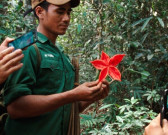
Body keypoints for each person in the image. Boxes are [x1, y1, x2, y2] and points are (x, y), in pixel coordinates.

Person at [3, 0, 109, 135]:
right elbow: (15, 108)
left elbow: (67, 107)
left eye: (68, 12)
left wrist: (92, 96)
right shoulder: (26, 48)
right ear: (40, 12)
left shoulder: (62, 56)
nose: (67, 18)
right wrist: (72, 95)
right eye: (60, 11)